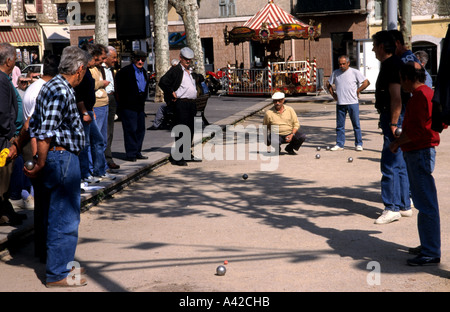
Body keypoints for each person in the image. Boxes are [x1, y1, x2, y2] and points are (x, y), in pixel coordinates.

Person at [25, 45, 88, 287]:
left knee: (56, 214)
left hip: (58, 156)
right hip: (60, 158)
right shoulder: (60, 90)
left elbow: (38, 126)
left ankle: (55, 266)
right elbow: (46, 131)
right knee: (65, 218)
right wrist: (41, 161)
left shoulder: (52, 86)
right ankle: (58, 273)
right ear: (80, 69)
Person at [390, 62, 441, 266]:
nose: (401, 83)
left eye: (402, 78)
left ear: (409, 78)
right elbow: (440, 122)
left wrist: (396, 143)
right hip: (420, 151)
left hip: (419, 151)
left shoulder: (420, 96)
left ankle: (430, 251)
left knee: (426, 204)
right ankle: (428, 244)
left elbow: (419, 131)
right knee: (424, 202)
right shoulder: (427, 93)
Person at [11, 54, 60, 262]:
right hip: (42, 151)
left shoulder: (35, 87)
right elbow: (32, 126)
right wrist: (40, 157)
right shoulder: (44, 90)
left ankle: (43, 249)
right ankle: (46, 251)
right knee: (49, 206)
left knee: (43, 205)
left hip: (39, 150)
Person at [372, 30, 412, 224]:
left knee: (389, 163)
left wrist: (394, 124)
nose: (372, 50)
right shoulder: (394, 64)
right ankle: (404, 205)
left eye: (374, 46)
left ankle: (391, 208)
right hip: (395, 117)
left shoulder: (391, 65)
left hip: (394, 118)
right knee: (400, 163)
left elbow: (396, 99)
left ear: (381, 46)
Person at [159, 47, 203, 166]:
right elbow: (163, 82)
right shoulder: (176, 70)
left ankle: (186, 153)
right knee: (181, 129)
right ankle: (178, 156)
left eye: (189, 59)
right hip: (181, 103)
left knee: (190, 129)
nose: (188, 61)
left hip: (191, 103)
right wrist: (170, 92)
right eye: (186, 59)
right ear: (180, 58)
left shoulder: (189, 71)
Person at [76, 43, 114, 183]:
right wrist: (85, 111)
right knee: (85, 144)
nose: (99, 63)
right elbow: (79, 95)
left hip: (90, 110)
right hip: (85, 111)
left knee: (98, 140)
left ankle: (99, 170)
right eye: (97, 60)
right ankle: (85, 173)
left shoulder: (91, 70)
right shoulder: (83, 71)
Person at [0, 43, 27, 226]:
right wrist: (10, 135)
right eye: (15, 60)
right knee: (4, 179)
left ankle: (5, 212)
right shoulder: (2, 80)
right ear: (9, 61)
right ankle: (5, 212)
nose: (15, 63)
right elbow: (3, 111)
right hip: (4, 138)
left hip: (6, 135)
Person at [327, 55, 370, 151]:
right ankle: (339, 144)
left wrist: (358, 91)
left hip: (352, 102)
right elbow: (328, 84)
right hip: (340, 103)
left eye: (343, 64)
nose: (341, 66)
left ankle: (358, 143)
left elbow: (366, 82)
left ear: (348, 63)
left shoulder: (354, 72)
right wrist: (333, 95)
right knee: (340, 126)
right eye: (340, 64)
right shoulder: (335, 73)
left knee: (356, 125)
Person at [115, 50, 149, 162]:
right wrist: (121, 106)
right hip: (128, 106)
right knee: (131, 130)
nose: (140, 61)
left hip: (140, 105)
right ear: (133, 59)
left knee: (140, 129)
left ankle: (137, 151)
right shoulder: (125, 71)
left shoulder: (143, 72)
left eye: (142, 60)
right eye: (138, 59)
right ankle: (131, 154)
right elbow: (118, 89)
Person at [147, 59, 179, 131]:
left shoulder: (173, 73)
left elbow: (162, 82)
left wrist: (171, 93)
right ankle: (163, 123)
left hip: (176, 104)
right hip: (183, 103)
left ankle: (156, 124)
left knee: (162, 107)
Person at [103, 46, 120, 170]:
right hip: (103, 100)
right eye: (113, 57)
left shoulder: (112, 70)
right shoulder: (99, 69)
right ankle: (103, 160)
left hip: (112, 98)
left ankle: (108, 158)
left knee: (110, 131)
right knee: (103, 131)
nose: (115, 60)